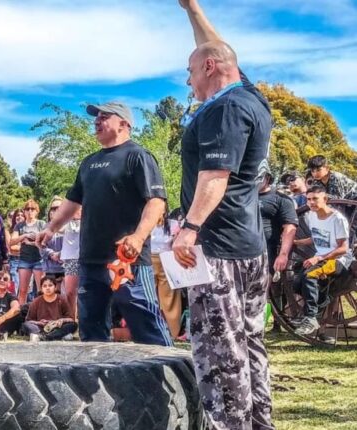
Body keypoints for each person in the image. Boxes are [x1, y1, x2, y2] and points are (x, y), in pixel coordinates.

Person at [172, 1, 274, 428]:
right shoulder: (250, 97)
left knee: (219, 354)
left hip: (218, 251)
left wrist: (189, 229)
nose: (189, 81)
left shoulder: (223, 109)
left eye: (192, 72)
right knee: (249, 344)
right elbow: (217, 48)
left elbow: (215, 174)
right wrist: (191, 8)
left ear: (210, 68)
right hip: (249, 247)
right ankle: (258, 422)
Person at [38, 101, 172, 347]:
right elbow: (72, 201)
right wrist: (50, 228)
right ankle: (94, 381)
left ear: (124, 123)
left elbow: (156, 202)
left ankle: (170, 375)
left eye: (104, 117)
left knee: (146, 324)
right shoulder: (88, 163)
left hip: (126, 261)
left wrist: (138, 237)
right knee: (91, 330)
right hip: (90, 260)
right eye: (96, 117)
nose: (96, 121)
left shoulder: (138, 156)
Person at [292, 184, 352, 336]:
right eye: (309, 199)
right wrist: (297, 242)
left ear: (325, 199)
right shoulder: (312, 215)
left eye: (315, 199)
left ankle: (311, 317)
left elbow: (343, 248)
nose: (311, 203)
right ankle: (321, 303)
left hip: (339, 260)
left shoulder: (337, 219)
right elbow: (317, 237)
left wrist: (318, 257)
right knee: (297, 282)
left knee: (310, 276)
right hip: (321, 258)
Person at [150, 209, 183, 339]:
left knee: (170, 297)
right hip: (148, 260)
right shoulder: (144, 223)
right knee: (149, 295)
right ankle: (150, 329)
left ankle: (173, 331)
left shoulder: (172, 224)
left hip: (167, 261)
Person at [11, 199, 46, 304]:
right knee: (22, 290)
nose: (30, 211)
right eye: (27, 209)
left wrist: (33, 242)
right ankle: (21, 315)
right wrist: (25, 236)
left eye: (32, 209)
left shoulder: (41, 224)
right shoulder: (20, 225)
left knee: (41, 290)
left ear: (37, 211)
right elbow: (11, 242)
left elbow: (46, 242)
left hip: (39, 259)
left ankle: (42, 313)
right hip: (24, 260)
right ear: (24, 211)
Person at [22, 276, 77, 341]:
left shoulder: (62, 300)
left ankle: (45, 337)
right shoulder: (36, 301)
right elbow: (29, 321)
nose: (47, 288)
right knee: (25, 325)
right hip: (41, 328)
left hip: (57, 327)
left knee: (73, 325)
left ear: (55, 287)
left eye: (50, 285)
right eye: (44, 286)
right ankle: (57, 336)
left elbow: (71, 319)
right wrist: (40, 323)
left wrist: (62, 320)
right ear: (41, 289)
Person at [60, 206, 81, 317]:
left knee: (84, 291)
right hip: (70, 260)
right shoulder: (66, 222)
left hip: (85, 259)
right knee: (70, 292)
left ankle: (83, 320)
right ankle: (72, 319)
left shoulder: (88, 220)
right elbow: (57, 228)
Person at [40, 196, 65, 283]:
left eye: (59, 208)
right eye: (53, 208)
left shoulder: (71, 225)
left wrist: (60, 255)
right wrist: (51, 254)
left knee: (68, 295)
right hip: (50, 268)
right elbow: (41, 246)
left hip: (67, 268)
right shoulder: (45, 227)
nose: (56, 210)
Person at [6, 209, 25, 293]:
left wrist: (18, 244)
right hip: (15, 260)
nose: (20, 217)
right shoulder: (9, 231)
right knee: (15, 287)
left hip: (28, 259)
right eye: (17, 215)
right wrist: (27, 245)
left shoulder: (28, 229)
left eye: (22, 215)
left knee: (27, 288)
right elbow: (12, 247)